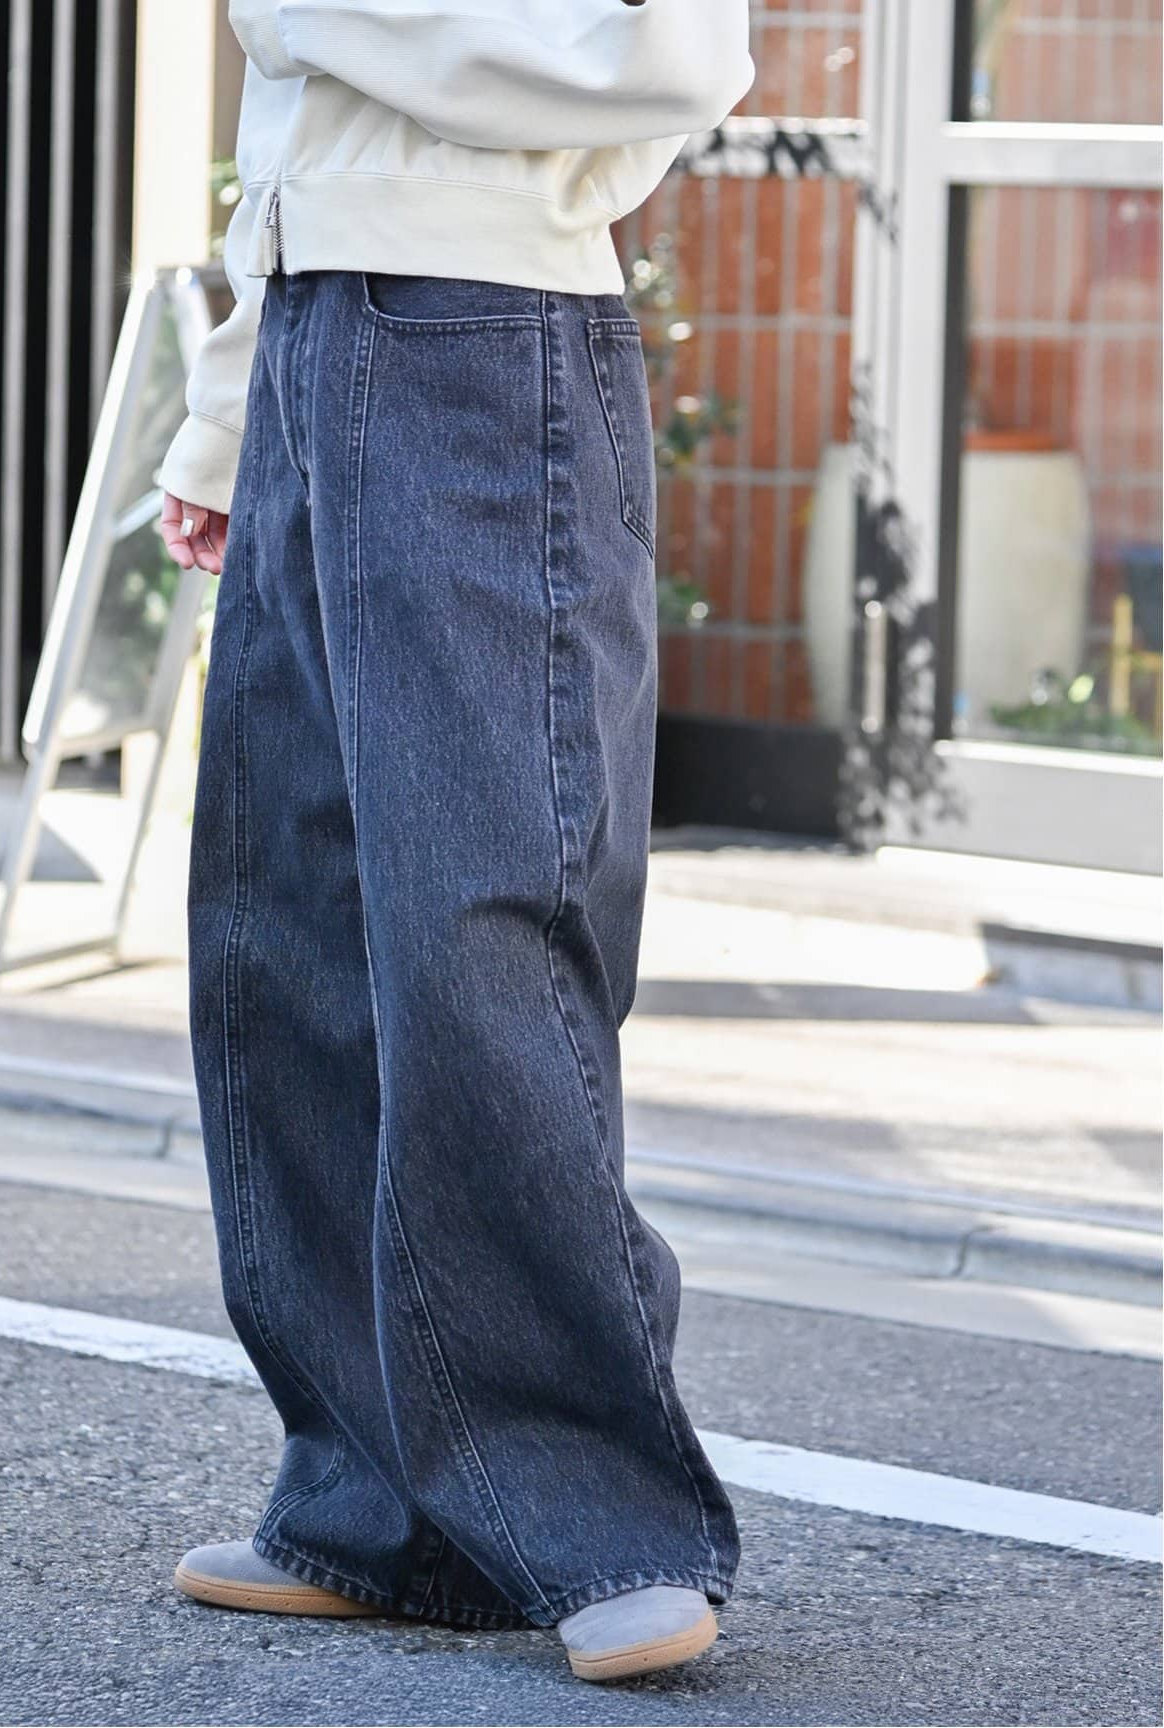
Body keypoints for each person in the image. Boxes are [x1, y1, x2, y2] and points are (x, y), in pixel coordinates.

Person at [159, 0, 754, 1685]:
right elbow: (304, 144)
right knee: (294, 931)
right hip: (312, 330)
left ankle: (602, 1514)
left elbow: (676, 55)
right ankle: (379, 1510)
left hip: (491, 338)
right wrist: (232, 409)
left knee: (480, 923)